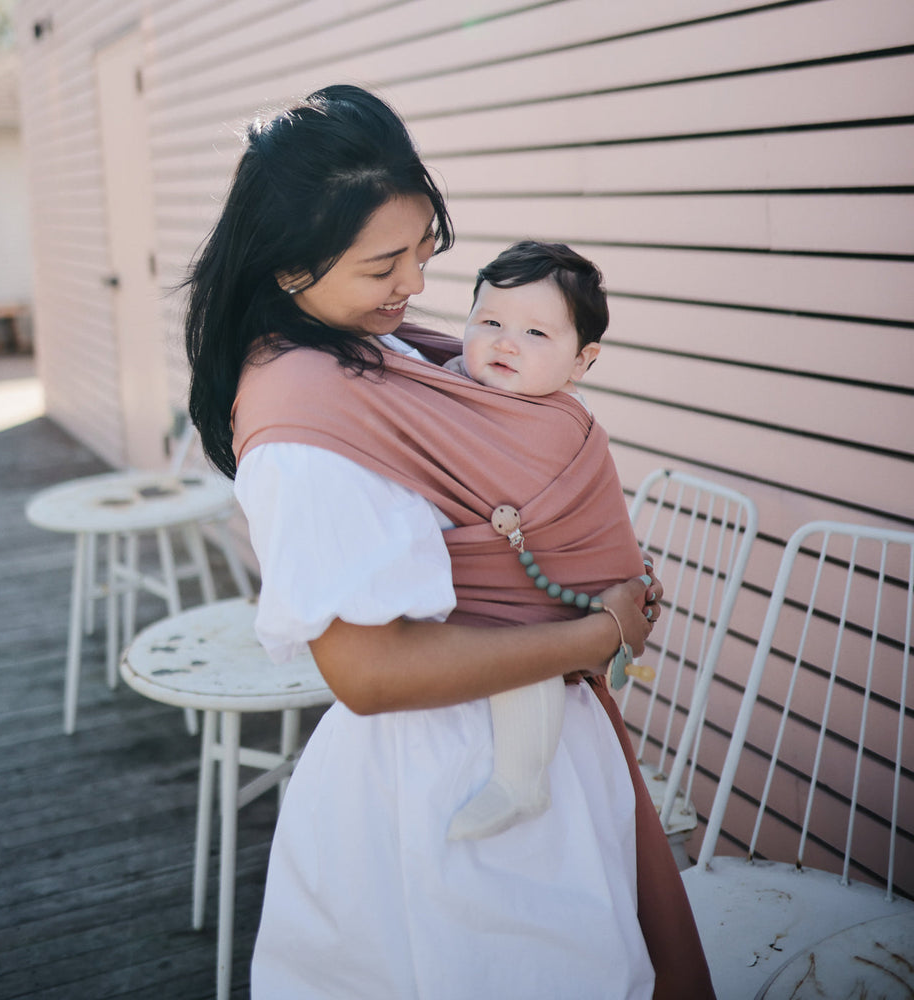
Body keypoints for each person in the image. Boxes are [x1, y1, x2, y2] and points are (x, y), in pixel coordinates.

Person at [184, 83, 714, 999]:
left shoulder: (367, 346)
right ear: (287, 269)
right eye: (384, 263)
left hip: (529, 749)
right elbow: (369, 672)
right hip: (448, 794)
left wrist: (587, 573)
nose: (416, 286)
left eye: (423, 252)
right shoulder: (305, 436)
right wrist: (600, 633)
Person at [442, 238, 656, 841]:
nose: (506, 342)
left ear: (581, 361)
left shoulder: (561, 424)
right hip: (463, 601)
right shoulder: (446, 388)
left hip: (544, 594)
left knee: (528, 651)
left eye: (537, 334)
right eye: (489, 321)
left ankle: (521, 781)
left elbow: (587, 515)